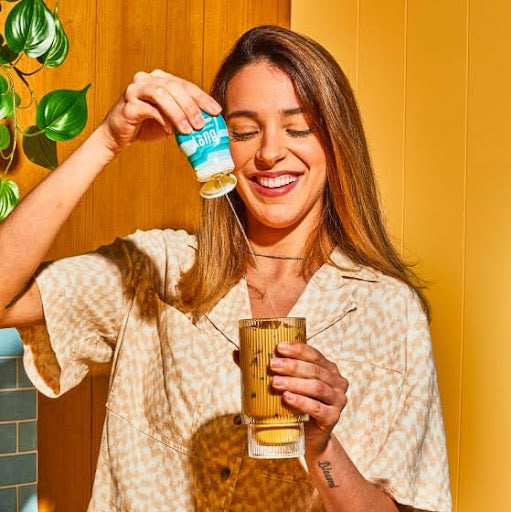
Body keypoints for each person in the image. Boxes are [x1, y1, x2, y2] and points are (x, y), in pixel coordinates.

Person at [0, 25, 451, 512]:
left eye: (298, 128)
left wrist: (321, 448)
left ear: (337, 143)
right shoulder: (157, 271)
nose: (270, 152)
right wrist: (107, 141)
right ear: (219, 145)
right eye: (243, 131)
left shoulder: (389, 312)